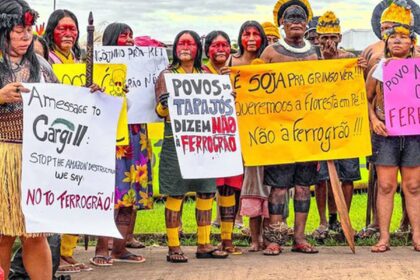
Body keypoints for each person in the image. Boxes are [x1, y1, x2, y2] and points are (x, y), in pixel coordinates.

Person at [155, 30, 228, 263]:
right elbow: (158, 111)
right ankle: (174, 246)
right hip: (175, 140)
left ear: (198, 48)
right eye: (181, 43)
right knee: (176, 192)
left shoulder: (206, 74)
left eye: (190, 43)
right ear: (175, 48)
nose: (185, 47)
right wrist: (164, 106)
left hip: (202, 141)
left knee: (206, 190)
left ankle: (204, 243)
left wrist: (228, 97)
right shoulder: (167, 75)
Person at [0, 1, 58, 279]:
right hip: (2, 160)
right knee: (2, 234)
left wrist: (89, 96)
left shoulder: (43, 67)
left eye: (29, 30)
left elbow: (64, 105)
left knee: (35, 234)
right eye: (18, 30)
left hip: (36, 160)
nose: (26, 36)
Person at [260, 0, 320, 255]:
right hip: (279, 132)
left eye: (300, 17)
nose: (295, 21)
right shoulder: (271, 53)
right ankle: (275, 238)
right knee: (279, 187)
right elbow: (256, 89)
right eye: (290, 17)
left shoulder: (315, 52)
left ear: (307, 23)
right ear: (282, 23)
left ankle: (299, 237)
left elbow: (328, 85)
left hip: (307, 132)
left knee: (304, 187)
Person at [358, 0, 420, 239]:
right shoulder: (379, 68)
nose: (397, 41)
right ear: (385, 40)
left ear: (411, 41)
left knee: (414, 186)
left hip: (413, 134)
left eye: (403, 37)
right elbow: (366, 98)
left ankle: (416, 235)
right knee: (385, 186)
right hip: (386, 134)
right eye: (392, 37)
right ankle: (384, 236)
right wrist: (373, 120)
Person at [92, 22, 147, 267]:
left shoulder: (144, 67)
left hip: (138, 134)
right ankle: (102, 249)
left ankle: (120, 248)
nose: (129, 39)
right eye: (123, 35)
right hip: (114, 136)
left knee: (131, 193)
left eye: (131, 35)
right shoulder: (99, 69)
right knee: (110, 191)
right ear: (112, 39)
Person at [311, 11, 366, 241]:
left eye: (332, 37)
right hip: (319, 126)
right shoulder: (310, 61)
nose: (328, 42)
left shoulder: (349, 60)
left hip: (346, 126)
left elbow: (362, 89)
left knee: (348, 174)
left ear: (340, 37)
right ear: (316, 39)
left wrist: (361, 70)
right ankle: (325, 221)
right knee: (321, 177)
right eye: (323, 38)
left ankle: (345, 220)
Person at [43, 9, 89, 273]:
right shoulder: (45, 58)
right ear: (52, 31)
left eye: (73, 29)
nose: (69, 33)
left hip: (79, 134)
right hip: (54, 135)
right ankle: (54, 255)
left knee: (77, 191)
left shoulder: (80, 59)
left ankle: (68, 251)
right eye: (62, 28)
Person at [230, 21, 270, 253]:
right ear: (240, 37)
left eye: (256, 34)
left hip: (268, 133)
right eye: (247, 34)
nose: (252, 38)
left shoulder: (269, 61)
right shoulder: (231, 64)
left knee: (268, 186)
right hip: (240, 132)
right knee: (246, 186)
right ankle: (253, 239)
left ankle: (268, 236)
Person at [202, 30, 243, 254]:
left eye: (225, 45)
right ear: (207, 49)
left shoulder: (236, 74)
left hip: (231, 139)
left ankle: (227, 240)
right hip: (208, 141)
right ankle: (205, 240)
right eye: (215, 46)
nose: (220, 49)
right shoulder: (200, 74)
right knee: (208, 190)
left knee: (229, 189)